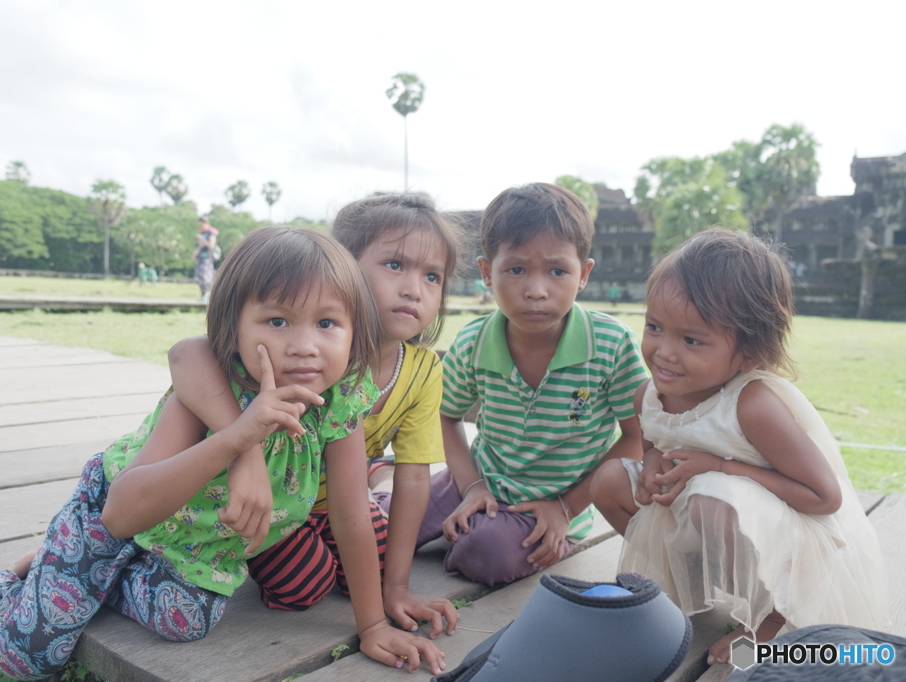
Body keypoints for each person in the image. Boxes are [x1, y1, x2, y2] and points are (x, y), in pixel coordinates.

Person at [0, 227, 447, 678]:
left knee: (186, 621)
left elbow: (353, 514)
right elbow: (122, 512)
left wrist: (372, 623)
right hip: (115, 516)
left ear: (355, 331)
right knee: (31, 654)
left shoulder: (338, 403)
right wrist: (239, 440)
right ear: (232, 326)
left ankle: (63, 568)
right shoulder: (208, 392)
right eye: (278, 321)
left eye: (327, 323)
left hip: (194, 545)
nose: (305, 345)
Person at [167, 192, 463, 638]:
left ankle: (369, 486)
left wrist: (396, 587)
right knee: (305, 585)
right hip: (273, 505)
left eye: (433, 276)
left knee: (373, 568)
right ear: (342, 266)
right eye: (395, 265)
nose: (413, 288)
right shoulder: (307, 357)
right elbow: (192, 353)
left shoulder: (422, 370)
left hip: (343, 502)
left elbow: (415, 476)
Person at [588, 227, 888, 666]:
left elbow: (825, 498)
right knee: (611, 480)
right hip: (706, 521)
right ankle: (687, 583)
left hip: (792, 540)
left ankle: (768, 625)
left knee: (715, 497)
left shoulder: (752, 404)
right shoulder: (648, 395)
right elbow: (653, 442)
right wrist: (652, 463)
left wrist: (721, 467)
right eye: (654, 327)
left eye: (691, 340)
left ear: (749, 353)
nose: (664, 352)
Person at [422, 182, 647, 587]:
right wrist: (472, 487)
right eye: (516, 269)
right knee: (386, 526)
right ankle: (392, 485)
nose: (536, 290)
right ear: (487, 273)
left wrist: (565, 507)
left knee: (487, 553)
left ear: (584, 274)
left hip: (550, 506)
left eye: (558, 271)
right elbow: (445, 416)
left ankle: (470, 533)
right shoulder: (473, 343)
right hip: (476, 480)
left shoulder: (610, 345)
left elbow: (638, 435)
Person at [193, 216, 219, 301]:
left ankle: (209, 295)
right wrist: (195, 253)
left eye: (201, 225)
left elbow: (211, 245)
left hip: (207, 258)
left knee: (206, 277)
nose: (200, 227)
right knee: (198, 277)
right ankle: (203, 295)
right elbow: (200, 246)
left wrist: (202, 239)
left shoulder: (211, 233)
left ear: (206, 223)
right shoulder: (202, 232)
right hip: (200, 258)